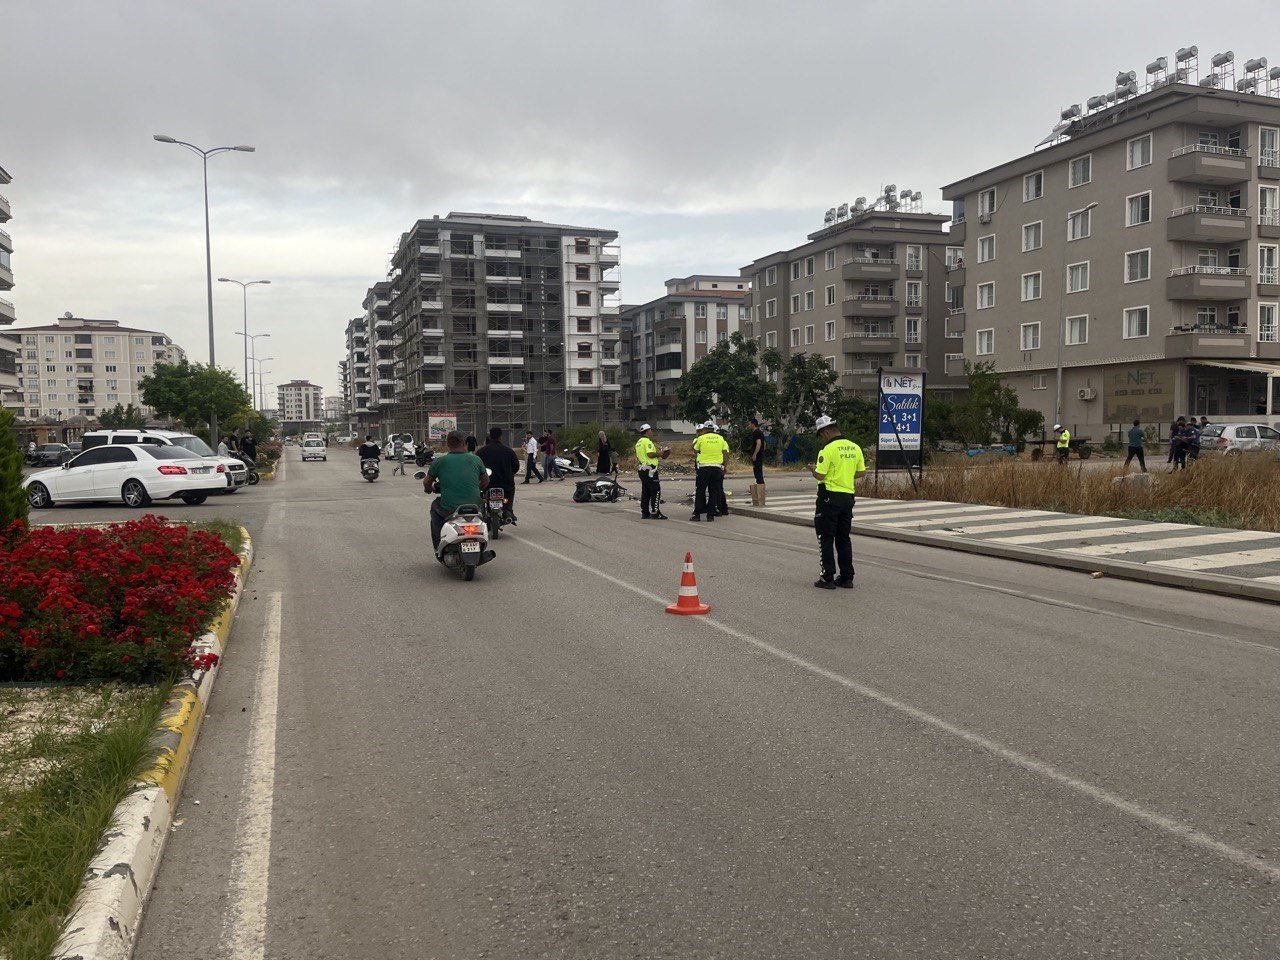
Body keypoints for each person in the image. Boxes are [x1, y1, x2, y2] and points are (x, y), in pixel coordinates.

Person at [811, 414, 865, 590]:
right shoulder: (855, 447)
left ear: (826, 432)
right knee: (843, 538)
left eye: (821, 435)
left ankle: (828, 577)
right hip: (848, 498)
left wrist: (812, 468)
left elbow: (820, 475)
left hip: (829, 498)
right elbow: (861, 473)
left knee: (825, 538)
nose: (822, 438)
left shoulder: (828, 450)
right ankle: (847, 577)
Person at [424, 431, 488, 552]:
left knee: (435, 507)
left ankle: (439, 545)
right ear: (464, 443)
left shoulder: (439, 461)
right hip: (474, 505)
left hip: (449, 508)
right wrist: (477, 489)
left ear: (448, 444)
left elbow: (427, 482)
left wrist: (429, 489)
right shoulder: (476, 459)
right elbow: (485, 481)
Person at [476, 426, 521, 523]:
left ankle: (480, 510)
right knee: (511, 490)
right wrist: (509, 474)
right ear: (501, 437)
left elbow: (475, 468)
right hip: (505, 483)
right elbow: (516, 467)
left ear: (489, 437)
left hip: (487, 483)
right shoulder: (509, 451)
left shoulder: (481, 452)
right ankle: (508, 510)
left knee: (480, 492)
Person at [690, 421, 729, 522]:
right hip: (717, 468)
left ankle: (697, 515)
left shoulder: (701, 438)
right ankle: (710, 516)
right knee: (713, 492)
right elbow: (725, 454)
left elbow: (694, 450)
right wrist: (724, 466)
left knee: (700, 491)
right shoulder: (721, 438)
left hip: (704, 468)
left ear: (705, 429)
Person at [635, 423, 669, 520]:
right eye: (650, 430)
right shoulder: (647, 442)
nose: (651, 432)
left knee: (646, 491)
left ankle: (645, 512)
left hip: (642, 469)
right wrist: (661, 453)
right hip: (650, 470)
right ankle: (655, 512)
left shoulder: (639, 442)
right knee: (655, 491)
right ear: (647, 431)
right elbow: (650, 454)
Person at [748, 417, 766, 506]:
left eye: (749, 424)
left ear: (753, 424)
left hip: (758, 456)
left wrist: (755, 454)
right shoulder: (759, 432)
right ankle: (760, 490)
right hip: (759, 455)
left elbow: (759, 443)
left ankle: (760, 491)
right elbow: (764, 444)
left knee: (758, 473)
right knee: (757, 472)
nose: (748, 426)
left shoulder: (757, 433)